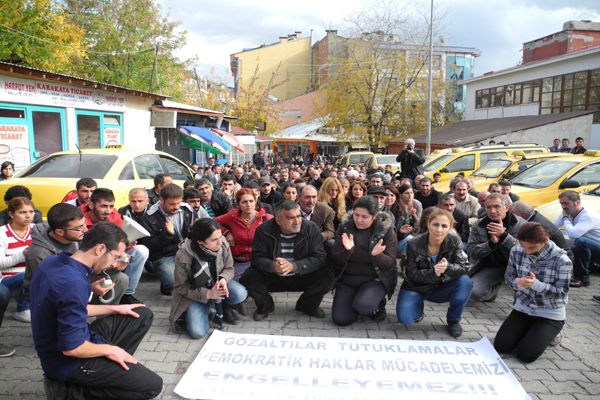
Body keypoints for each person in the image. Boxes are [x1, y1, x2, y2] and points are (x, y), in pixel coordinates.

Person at [29, 222, 163, 399]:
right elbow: (72, 348)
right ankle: (72, 392)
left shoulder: (55, 261)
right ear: (100, 249)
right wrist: (110, 350)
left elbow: (67, 307)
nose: (115, 264)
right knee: (152, 386)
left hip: (67, 339)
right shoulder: (73, 283)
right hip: (67, 361)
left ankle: (105, 373)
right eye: (115, 257)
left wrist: (115, 308)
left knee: (141, 314)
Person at [240, 200, 334, 321]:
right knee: (249, 277)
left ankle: (306, 306)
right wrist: (272, 266)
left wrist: (295, 266)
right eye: (290, 218)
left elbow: (319, 258)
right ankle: (266, 307)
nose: (297, 222)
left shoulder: (311, 228)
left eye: (299, 216)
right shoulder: (263, 230)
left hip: (301, 274)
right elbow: (257, 259)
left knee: (327, 277)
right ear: (278, 220)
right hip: (273, 275)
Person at [494, 222, 571, 363]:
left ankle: (552, 334)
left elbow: (561, 293)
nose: (527, 251)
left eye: (532, 247)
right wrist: (519, 283)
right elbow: (509, 278)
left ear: (545, 241)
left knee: (526, 355)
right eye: (524, 246)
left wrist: (536, 285)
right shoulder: (516, 250)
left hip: (550, 313)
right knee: (501, 346)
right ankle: (531, 331)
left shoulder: (562, 260)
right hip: (523, 307)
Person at [396, 208, 472, 337]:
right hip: (416, 287)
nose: (439, 229)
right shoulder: (413, 243)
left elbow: (464, 267)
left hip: (441, 287)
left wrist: (447, 267)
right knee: (406, 319)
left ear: (450, 228)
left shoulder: (454, 241)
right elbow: (410, 274)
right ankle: (418, 307)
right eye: (435, 224)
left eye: (444, 226)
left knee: (465, 282)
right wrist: (434, 272)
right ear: (428, 224)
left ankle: (453, 320)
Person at [170, 218, 248, 338]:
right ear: (201, 242)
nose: (220, 242)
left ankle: (222, 306)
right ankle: (205, 309)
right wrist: (208, 294)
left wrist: (223, 280)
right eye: (214, 240)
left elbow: (229, 268)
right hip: (196, 293)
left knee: (240, 293)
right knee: (197, 332)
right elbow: (181, 287)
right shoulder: (183, 255)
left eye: (220, 237)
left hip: (217, 283)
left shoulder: (222, 242)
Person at [330, 196, 397, 325]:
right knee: (341, 319)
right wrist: (347, 250)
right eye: (356, 215)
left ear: (375, 216)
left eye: (364, 217)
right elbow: (336, 259)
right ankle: (357, 300)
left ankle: (376, 303)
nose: (359, 220)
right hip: (348, 279)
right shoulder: (345, 227)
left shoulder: (386, 231)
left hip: (374, 279)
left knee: (364, 306)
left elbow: (390, 262)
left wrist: (377, 256)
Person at [81, 188, 147, 305]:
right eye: (104, 206)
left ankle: (127, 294)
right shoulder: (80, 218)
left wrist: (126, 245)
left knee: (141, 250)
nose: (108, 211)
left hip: (108, 256)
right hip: (88, 263)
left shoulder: (114, 215)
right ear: (91, 205)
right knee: (121, 277)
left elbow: (117, 241)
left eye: (111, 206)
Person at [467, 193, 526, 302]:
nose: (492, 211)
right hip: (492, 266)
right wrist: (490, 243)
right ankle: (492, 290)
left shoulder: (522, 225)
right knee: (472, 292)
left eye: (496, 206)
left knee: (524, 296)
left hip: (518, 267)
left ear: (507, 207)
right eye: (488, 207)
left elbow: (527, 251)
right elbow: (472, 252)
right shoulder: (479, 225)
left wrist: (504, 237)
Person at [142, 183, 195, 296]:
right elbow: (150, 246)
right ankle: (167, 285)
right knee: (172, 281)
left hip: (188, 250)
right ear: (162, 200)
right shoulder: (149, 216)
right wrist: (167, 234)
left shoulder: (187, 209)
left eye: (178, 203)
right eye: (171, 204)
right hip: (165, 255)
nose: (176, 207)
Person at [216, 188, 274, 282]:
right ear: (238, 204)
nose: (249, 205)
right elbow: (215, 222)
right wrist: (226, 232)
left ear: (255, 201)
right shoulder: (232, 216)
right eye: (244, 202)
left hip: (260, 261)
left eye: (251, 201)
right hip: (238, 262)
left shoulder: (266, 218)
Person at [554, 190, 600, 288]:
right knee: (565, 243)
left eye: (566, 203)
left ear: (577, 203)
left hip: (597, 245)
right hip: (592, 246)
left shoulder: (588, 216)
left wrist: (566, 218)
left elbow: (573, 234)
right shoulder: (567, 212)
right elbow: (553, 227)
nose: (563, 206)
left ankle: (583, 279)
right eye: (561, 203)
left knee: (581, 242)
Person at [0, 197, 35, 322]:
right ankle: (22, 309)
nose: (28, 216)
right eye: (22, 212)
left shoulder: (37, 230)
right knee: (32, 273)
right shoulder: (2, 233)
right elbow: (0, 264)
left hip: (32, 277)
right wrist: (23, 254)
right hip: (7, 280)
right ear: (11, 214)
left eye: (31, 212)